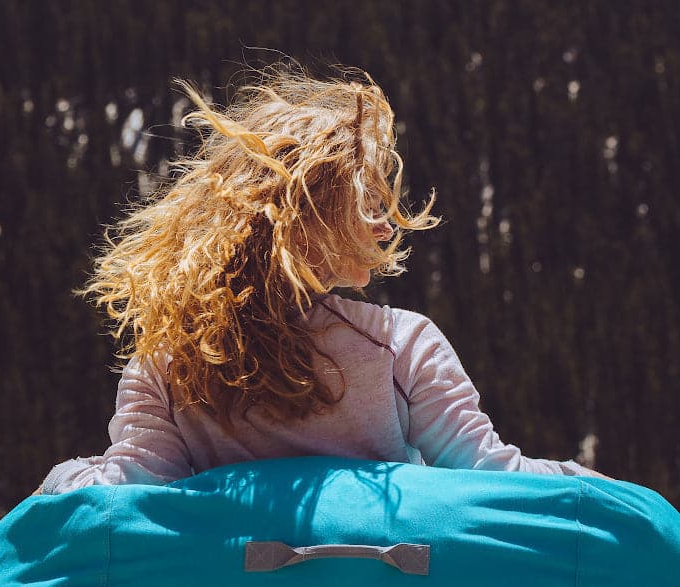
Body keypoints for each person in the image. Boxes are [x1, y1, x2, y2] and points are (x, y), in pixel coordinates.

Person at [38, 63, 610, 494]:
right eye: (370, 204)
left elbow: (131, 494)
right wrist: (599, 486)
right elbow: (498, 479)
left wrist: (63, 477)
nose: (387, 228)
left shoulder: (169, 359)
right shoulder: (399, 346)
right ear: (308, 224)